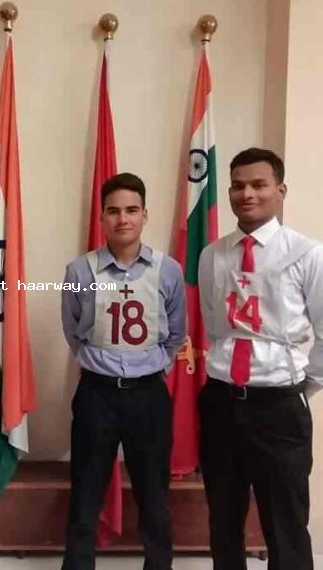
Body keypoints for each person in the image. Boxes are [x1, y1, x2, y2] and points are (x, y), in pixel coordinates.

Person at [198, 147, 323, 570]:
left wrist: (300, 389)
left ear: (280, 191)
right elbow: (214, 325)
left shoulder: (306, 254)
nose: (246, 194)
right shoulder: (213, 255)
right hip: (221, 401)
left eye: (258, 184)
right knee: (224, 520)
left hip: (279, 407)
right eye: (238, 186)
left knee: (285, 523)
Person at [61, 172, 186, 570]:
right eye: (113, 211)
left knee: (154, 495)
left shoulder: (168, 270)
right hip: (97, 395)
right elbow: (74, 331)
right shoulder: (80, 271)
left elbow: (176, 333)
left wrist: (148, 367)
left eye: (132, 210)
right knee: (85, 494)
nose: (123, 219)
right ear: (102, 217)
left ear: (145, 215)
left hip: (148, 396)